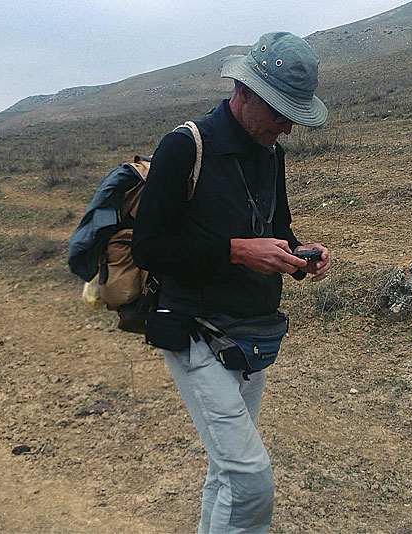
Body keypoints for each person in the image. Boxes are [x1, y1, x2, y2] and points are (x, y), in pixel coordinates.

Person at [131, 31, 332, 533]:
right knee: (249, 479)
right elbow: (149, 248)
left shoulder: (270, 153)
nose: (286, 126)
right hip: (194, 331)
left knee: (226, 473)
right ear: (244, 92)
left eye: (294, 114)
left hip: (251, 334)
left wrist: (298, 257)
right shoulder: (185, 147)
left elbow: (277, 230)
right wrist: (236, 251)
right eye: (280, 111)